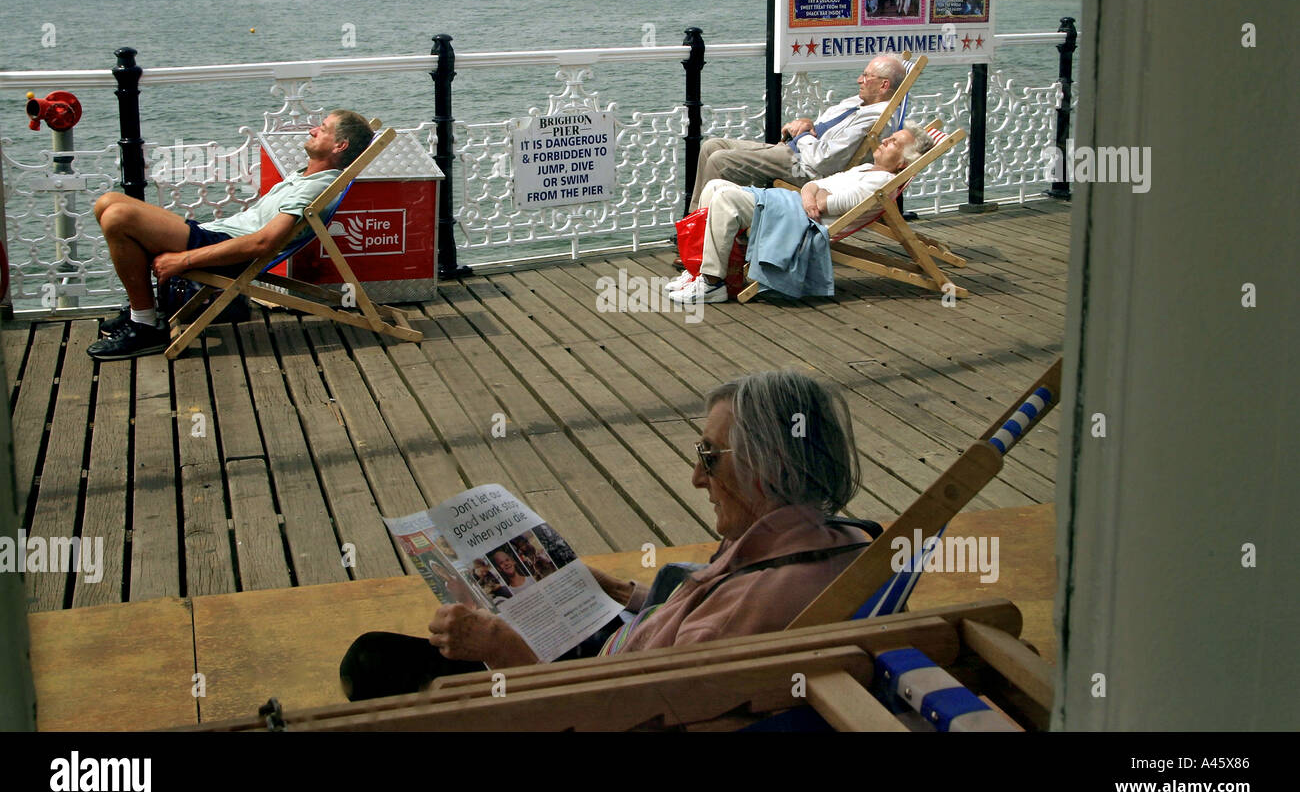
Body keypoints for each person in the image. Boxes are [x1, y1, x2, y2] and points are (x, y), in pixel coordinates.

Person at [338, 369, 872, 700]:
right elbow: (702, 602)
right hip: (622, 637)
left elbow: (620, 715)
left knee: (374, 664)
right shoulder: (840, 542)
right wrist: (620, 591)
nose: (697, 477)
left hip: (585, 687)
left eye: (709, 456)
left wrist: (503, 649)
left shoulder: (736, 614)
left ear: (766, 467)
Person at [85, 108, 374, 360]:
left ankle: (145, 325)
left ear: (340, 145)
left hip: (229, 248)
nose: (312, 130)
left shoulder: (315, 186)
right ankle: (144, 313)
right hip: (217, 234)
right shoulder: (306, 175)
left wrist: (183, 261)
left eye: (322, 129)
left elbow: (264, 242)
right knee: (108, 202)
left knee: (118, 217)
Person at [667, 121, 935, 304]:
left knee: (725, 197)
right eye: (891, 137)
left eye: (894, 143)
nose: (886, 139)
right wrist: (812, 191)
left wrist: (814, 193)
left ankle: (712, 282)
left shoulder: (878, 184)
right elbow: (814, 186)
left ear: (902, 163)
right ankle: (697, 269)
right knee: (714, 186)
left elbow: (829, 203)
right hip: (794, 206)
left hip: (800, 221)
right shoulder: (864, 170)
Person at [687, 54, 906, 212]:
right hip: (797, 151)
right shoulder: (858, 102)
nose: (860, 80)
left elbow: (823, 160)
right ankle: (693, 227)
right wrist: (807, 124)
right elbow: (819, 126)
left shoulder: (875, 119)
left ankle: (703, 244)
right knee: (711, 146)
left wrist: (802, 135)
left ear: (884, 85)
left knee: (719, 161)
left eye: (867, 76)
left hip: (805, 168)